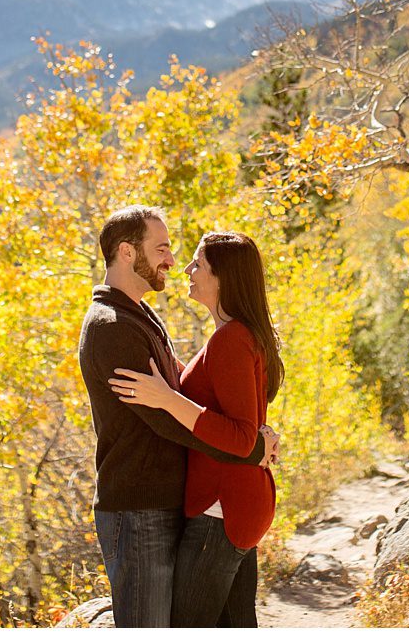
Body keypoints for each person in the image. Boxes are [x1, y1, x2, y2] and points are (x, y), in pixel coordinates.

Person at [77, 206, 275, 628]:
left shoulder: (143, 316)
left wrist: (252, 436)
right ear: (128, 253)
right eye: (162, 248)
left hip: (175, 503)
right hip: (137, 509)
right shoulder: (111, 325)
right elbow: (165, 416)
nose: (172, 260)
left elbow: (182, 391)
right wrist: (250, 447)